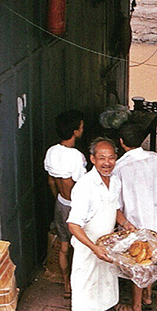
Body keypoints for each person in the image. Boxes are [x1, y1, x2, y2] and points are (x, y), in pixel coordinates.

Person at [67, 137, 136, 311]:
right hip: (88, 248)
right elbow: (73, 224)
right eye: (102, 158)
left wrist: (126, 224)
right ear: (92, 159)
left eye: (111, 158)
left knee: (104, 283)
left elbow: (114, 208)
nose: (107, 163)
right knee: (83, 289)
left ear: (116, 159)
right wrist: (93, 247)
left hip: (107, 246)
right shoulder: (84, 186)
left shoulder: (114, 181)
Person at [113, 121, 157, 311]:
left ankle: (135, 307)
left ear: (121, 142)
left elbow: (116, 204)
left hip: (132, 224)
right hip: (153, 221)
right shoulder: (156, 159)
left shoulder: (119, 168)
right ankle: (147, 296)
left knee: (137, 264)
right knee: (149, 259)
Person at [44, 110, 87, 299]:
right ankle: (80, 284)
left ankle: (66, 285)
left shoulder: (51, 152)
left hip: (61, 203)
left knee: (64, 246)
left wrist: (59, 199)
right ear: (75, 131)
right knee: (81, 247)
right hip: (75, 207)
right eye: (81, 127)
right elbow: (81, 186)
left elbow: (51, 182)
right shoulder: (77, 157)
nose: (82, 129)